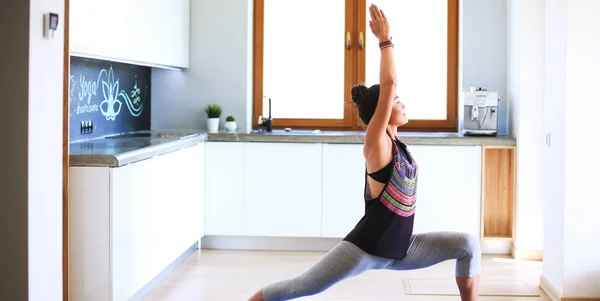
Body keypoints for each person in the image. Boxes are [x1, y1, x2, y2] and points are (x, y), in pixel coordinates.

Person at [247, 4, 481, 301]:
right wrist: (385, 40)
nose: (402, 103)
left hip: (402, 249)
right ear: (381, 112)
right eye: (396, 101)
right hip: (365, 249)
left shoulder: (399, 147)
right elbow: (389, 83)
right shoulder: (377, 143)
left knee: (468, 245)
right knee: (300, 287)